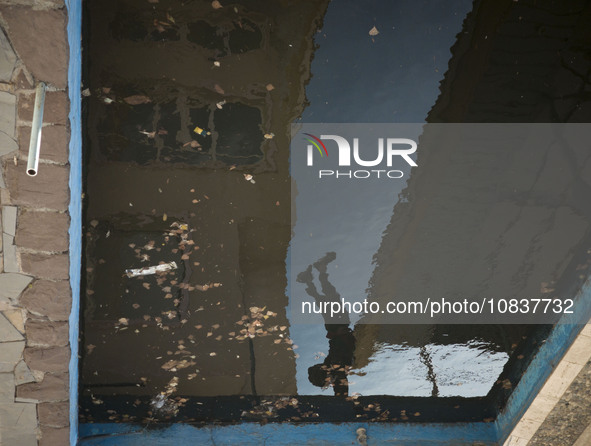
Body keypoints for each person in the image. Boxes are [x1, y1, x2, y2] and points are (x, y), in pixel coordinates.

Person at [297, 252, 356, 396]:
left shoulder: (335, 366)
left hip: (338, 325)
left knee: (330, 296)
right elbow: (340, 385)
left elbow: (340, 386)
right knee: (327, 298)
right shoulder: (333, 366)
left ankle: (318, 272)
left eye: (328, 382)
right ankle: (312, 277)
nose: (331, 382)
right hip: (337, 327)